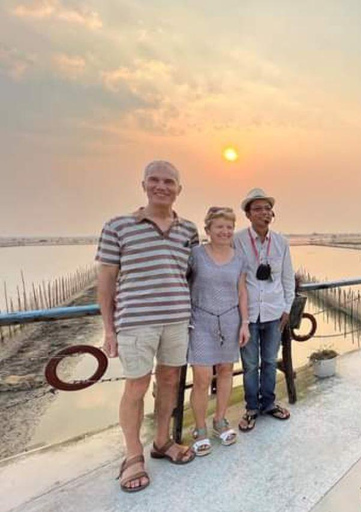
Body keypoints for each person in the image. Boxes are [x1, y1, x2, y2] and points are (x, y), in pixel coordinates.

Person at [96, 160, 198, 493]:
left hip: (177, 319)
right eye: (154, 180)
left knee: (169, 380)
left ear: (178, 189)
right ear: (143, 185)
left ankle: (162, 441)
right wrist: (109, 330)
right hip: (136, 322)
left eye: (169, 181)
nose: (162, 186)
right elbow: (106, 281)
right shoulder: (118, 226)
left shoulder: (189, 230)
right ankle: (132, 454)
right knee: (136, 386)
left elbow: (191, 275)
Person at [187, 207, 250, 455]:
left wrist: (244, 323)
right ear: (208, 230)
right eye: (219, 227)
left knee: (225, 372)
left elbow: (242, 292)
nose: (224, 232)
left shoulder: (239, 258)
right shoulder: (195, 255)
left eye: (229, 227)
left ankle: (220, 420)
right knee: (201, 378)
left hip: (230, 320)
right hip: (200, 321)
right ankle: (199, 427)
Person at [234, 188, 295, 432]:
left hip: (273, 313)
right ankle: (251, 408)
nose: (264, 213)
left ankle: (269, 403)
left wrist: (287, 308)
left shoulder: (281, 242)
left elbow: (288, 279)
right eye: (258, 208)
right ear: (248, 214)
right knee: (249, 364)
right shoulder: (237, 240)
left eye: (268, 209)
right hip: (247, 315)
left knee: (269, 361)